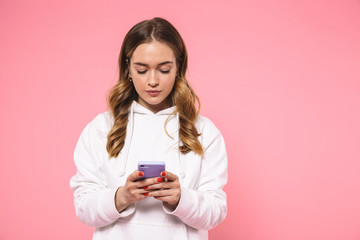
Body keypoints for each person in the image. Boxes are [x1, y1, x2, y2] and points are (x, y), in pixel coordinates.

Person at [70, 17, 228, 240]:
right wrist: (121, 196)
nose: (152, 81)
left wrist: (181, 198)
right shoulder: (101, 128)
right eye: (142, 70)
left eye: (164, 70)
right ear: (128, 69)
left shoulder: (204, 132)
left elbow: (216, 212)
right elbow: (83, 208)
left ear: (178, 68)